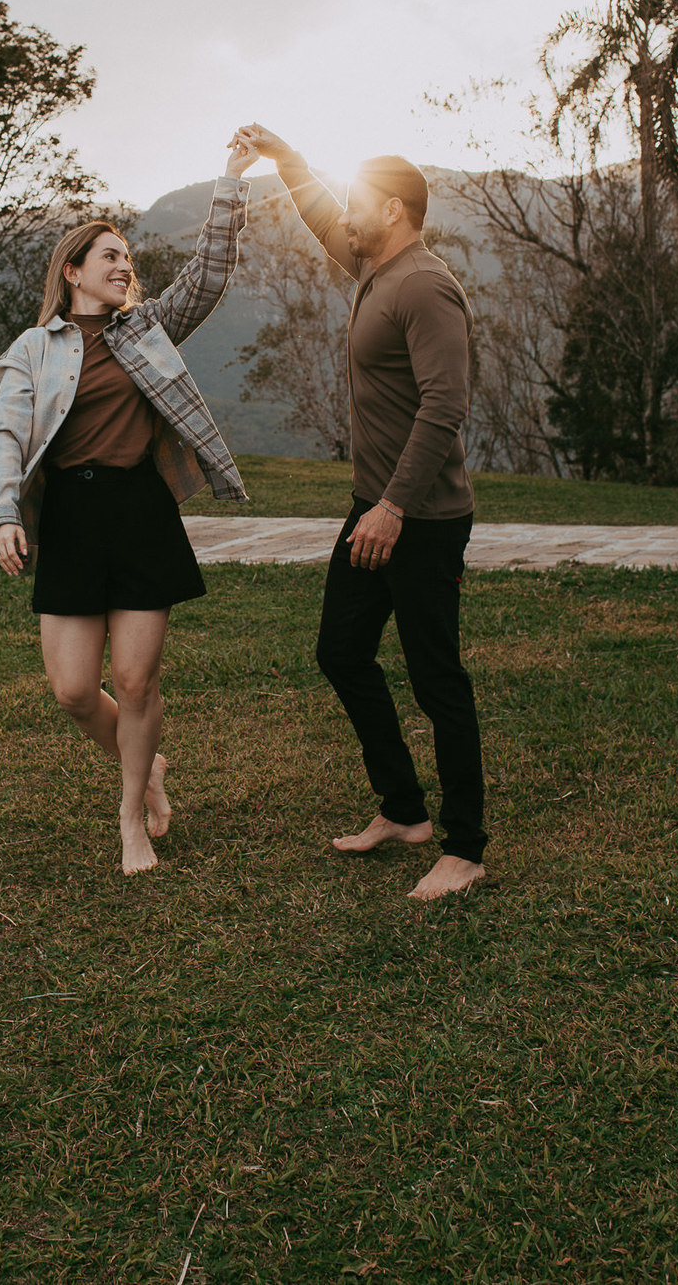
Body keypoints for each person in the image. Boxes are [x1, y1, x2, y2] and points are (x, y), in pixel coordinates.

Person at [0, 137, 258, 875]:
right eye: (110, 256)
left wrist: (230, 180)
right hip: (71, 516)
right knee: (73, 689)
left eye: (127, 257)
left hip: (139, 511)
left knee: (135, 682)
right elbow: (4, 433)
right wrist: (3, 512)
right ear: (72, 271)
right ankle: (148, 765)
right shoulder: (34, 349)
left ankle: (132, 817)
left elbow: (208, 274)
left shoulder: (147, 328)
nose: (125, 266)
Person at [233, 124, 486, 901]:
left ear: (395, 210)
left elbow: (445, 405)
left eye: (357, 203)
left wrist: (394, 508)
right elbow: (321, 219)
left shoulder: (425, 286)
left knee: (436, 678)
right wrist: (288, 161)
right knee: (341, 651)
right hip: (372, 508)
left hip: (421, 518)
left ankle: (465, 849)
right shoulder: (378, 270)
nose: (345, 215)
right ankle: (404, 810)